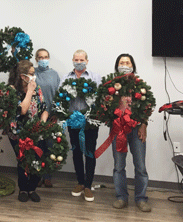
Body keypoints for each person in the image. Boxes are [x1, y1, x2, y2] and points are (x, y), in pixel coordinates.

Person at [111, 53, 151, 212]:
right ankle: (121, 197)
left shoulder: (140, 86)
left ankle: (141, 198)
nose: (125, 65)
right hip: (118, 129)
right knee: (119, 166)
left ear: (133, 66)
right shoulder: (111, 86)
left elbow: (147, 106)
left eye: (127, 63)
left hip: (136, 129)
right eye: (122, 63)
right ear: (117, 66)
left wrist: (144, 125)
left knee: (140, 166)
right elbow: (104, 108)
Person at [61, 49, 101, 202]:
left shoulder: (95, 77)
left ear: (87, 61)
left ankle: (88, 186)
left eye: (81, 60)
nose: (79, 62)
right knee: (76, 151)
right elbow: (61, 96)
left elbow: (101, 98)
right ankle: (80, 182)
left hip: (90, 122)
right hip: (73, 122)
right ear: (72, 60)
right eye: (76, 60)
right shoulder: (66, 78)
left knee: (89, 152)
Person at [7, 60, 48, 202]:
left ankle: (32, 189)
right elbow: (22, 110)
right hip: (18, 132)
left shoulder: (38, 88)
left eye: (33, 74)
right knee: (23, 161)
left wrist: (43, 123)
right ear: (21, 75)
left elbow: (44, 108)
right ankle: (23, 189)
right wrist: (29, 91)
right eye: (30, 74)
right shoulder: (11, 90)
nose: (33, 77)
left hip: (36, 131)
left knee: (37, 159)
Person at [34, 48, 60, 188]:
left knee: (50, 148)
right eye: (40, 57)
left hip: (51, 116)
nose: (43, 59)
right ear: (36, 59)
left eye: (45, 57)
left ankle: (48, 176)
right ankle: (37, 176)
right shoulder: (33, 74)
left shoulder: (54, 74)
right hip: (36, 117)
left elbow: (58, 95)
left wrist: (56, 113)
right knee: (38, 148)